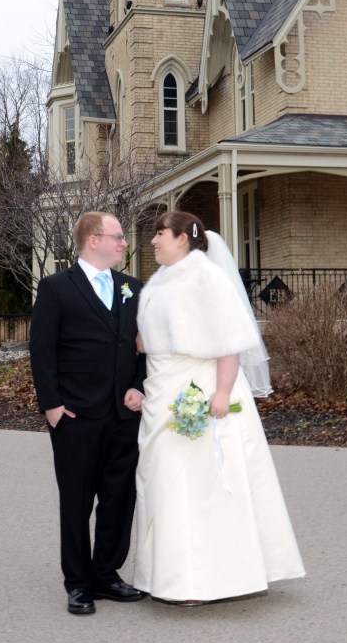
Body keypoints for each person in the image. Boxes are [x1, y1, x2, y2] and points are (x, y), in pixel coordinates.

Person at [134, 210, 305, 604]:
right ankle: (165, 577)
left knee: (198, 485)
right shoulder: (159, 282)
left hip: (199, 392)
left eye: (160, 234)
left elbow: (229, 341)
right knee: (162, 481)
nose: (154, 241)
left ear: (182, 239)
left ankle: (198, 582)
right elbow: (148, 342)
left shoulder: (207, 279)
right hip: (162, 391)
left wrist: (223, 392)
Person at [29, 211, 146, 615]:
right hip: (75, 416)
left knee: (119, 498)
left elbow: (145, 347)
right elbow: (42, 351)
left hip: (123, 414)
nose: (124, 243)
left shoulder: (133, 287)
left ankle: (106, 574)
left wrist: (140, 387)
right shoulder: (57, 288)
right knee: (77, 502)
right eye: (118, 237)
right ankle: (78, 583)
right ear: (93, 240)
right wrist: (53, 407)